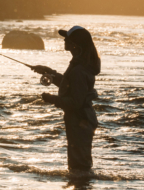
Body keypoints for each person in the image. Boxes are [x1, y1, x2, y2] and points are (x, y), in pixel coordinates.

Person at [31, 26, 100, 172]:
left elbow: (75, 102)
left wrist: (51, 99)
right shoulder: (79, 64)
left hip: (80, 121)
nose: (64, 40)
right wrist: (49, 72)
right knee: (79, 165)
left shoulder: (79, 70)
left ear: (76, 44)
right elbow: (70, 85)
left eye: (67, 38)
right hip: (81, 119)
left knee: (79, 167)